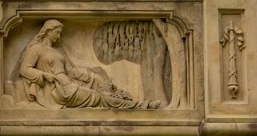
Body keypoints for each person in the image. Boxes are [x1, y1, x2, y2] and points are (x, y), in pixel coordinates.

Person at [13, 20, 160, 109]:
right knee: (97, 97)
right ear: (48, 31)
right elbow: (24, 69)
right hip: (57, 91)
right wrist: (45, 75)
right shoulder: (36, 49)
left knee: (100, 83)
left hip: (69, 84)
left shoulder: (59, 50)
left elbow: (71, 70)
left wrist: (92, 76)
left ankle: (130, 102)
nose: (59, 36)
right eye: (57, 32)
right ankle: (139, 105)